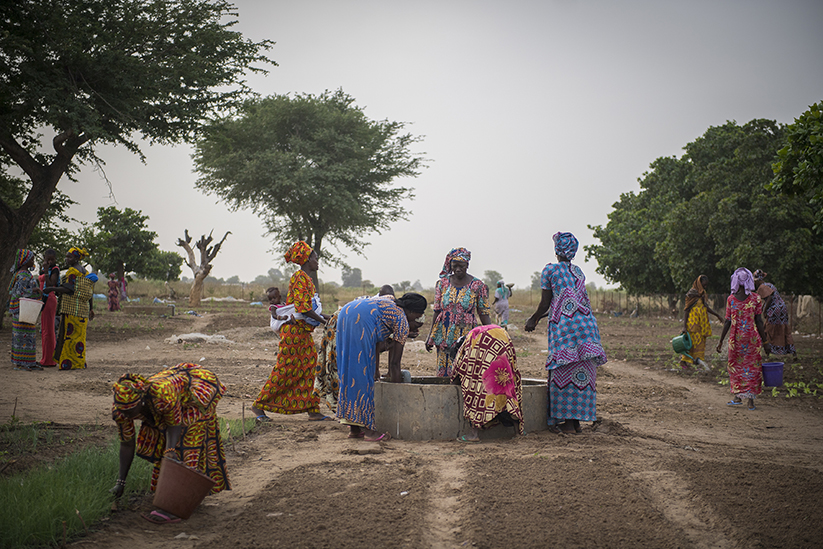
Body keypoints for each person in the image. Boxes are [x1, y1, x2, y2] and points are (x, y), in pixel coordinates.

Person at [110, 363, 230, 524]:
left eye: (131, 412)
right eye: (123, 411)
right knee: (165, 448)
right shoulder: (121, 411)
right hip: (173, 399)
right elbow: (127, 444)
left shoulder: (162, 395)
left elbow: (174, 425)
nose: (127, 416)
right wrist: (120, 482)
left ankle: (176, 507)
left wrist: (171, 450)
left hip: (196, 391)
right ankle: (169, 496)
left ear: (141, 402)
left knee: (184, 444)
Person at [525, 232, 607, 434]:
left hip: (566, 329)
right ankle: (577, 422)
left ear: (556, 250)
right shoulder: (578, 272)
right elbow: (567, 300)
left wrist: (533, 319)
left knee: (563, 371)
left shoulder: (550, 270)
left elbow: (546, 302)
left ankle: (568, 424)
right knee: (583, 372)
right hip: (587, 328)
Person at [251, 241, 330, 422]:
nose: (318, 262)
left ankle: (312, 409)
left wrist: (330, 317)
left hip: (301, 333)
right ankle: (258, 405)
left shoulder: (306, 279)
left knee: (310, 367)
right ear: (307, 259)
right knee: (285, 370)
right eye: (315, 258)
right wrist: (324, 321)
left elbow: (310, 310)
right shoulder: (300, 278)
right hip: (294, 334)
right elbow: (303, 309)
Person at [336, 292, 428, 441]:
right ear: (411, 311)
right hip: (361, 322)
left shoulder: (390, 301)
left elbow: (378, 344)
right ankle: (369, 432)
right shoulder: (402, 320)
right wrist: (397, 391)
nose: (418, 319)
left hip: (346, 313)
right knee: (363, 376)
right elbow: (394, 363)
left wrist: (377, 369)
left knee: (349, 370)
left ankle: (354, 429)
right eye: (418, 315)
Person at [426, 248, 492, 377]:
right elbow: (437, 311)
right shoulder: (442, 284)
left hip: (466, 336)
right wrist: (430, 336)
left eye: (461, 266)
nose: (457, 269)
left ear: (467, 265)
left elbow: (484, 313)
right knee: (443, 373)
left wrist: (491, 336)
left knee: (464, 371)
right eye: (454, 266)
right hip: (443, 334)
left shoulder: (478, 286)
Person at [451, 325, 523, 442]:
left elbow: (459, 368)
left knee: (475, 386)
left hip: (484, 341)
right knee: (506, 385)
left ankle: (474, 434)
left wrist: (456, 381)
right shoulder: (475, 333)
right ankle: (517, 432)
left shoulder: (466, 344)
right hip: (502, 338)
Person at [716, 268, 770, 411]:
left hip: (736, 340)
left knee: (736, 368)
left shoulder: (731, 299)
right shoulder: (755, 298)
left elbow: (727, 321)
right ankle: (750, 401)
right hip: (752, 340)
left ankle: (737, 397)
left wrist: (721, 341)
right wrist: (765, 342)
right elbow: (759, 321)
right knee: (753, 368)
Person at [43, 247, 95, 370]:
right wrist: (90, 309)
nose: (66, 259)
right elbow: (90, 292)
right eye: (66, 256)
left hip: (71, 308)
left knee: (69, 336)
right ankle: (79, 362)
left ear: (77, 258)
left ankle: (68, 363)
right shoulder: (86, 273)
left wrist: (51, 289)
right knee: (80, 336)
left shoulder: (72, 271)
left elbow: (69, 289)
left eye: (69, 257)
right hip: (82, 310)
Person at [8, 249, 42, 371]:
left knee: (28, 336)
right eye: (31, 259)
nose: (33, 261)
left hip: (26, 309)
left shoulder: (24, 273)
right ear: (25, 260)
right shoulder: (22, 275)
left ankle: (29, 361)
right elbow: (19, 293)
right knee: (22, 336)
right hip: (21, 309)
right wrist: (34, 291)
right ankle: (21, 363)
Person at [680, 275, 723, 371]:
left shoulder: (702, 294)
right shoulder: (691, 294)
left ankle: (696, 361)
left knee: (700, 343)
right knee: (691, 343)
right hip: (693, 323)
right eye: (704, 285)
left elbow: (706, 307)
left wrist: (717, 315)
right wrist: (684, 326)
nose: (705, 287)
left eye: (706, 285)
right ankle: (683, 360)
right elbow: (686, 310)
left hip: (702, 324)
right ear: (699, 283)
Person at [753, 270, 798, 361]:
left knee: (768, 329)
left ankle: (768, 353)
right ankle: (793, 353)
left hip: (774, 310)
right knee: (784, 328)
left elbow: (769, 297)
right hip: (782, 309)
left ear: (758, 280)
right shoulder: (770, 285)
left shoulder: (762, 287)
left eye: (754, 281)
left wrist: (764, 310)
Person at [37, 249, 60, 368]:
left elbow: (51, 285)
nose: (50, 261)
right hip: (43, 299)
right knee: (44, 330)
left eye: (52, 259)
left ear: (55, 259)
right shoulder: (44, 269)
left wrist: (46, 271)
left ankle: (49, 360)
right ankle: (45, 358)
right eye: (47, 259)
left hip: (49, 299)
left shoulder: (54, 270)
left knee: (49, 330)